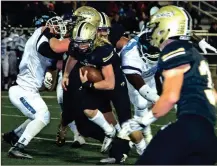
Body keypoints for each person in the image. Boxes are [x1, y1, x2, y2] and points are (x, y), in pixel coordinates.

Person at [130, 5, 217, 164]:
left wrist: (141, 122)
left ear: (167, 27)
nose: (152, 32)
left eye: (155, 27)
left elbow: (170, 97)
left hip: (189, 128)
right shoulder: (194, 53)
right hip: (208, 136)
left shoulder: (174, 49)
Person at [2, 15, 66, 159]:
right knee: (42, 116)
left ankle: (13, 135)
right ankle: (18, 147)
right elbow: (51, 49)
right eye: (53, 26)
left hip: (30, 90)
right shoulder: (41, 37)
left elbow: (53, 69)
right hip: (22, 90)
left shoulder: (45, 40)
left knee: (41, 116)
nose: (57, 28)